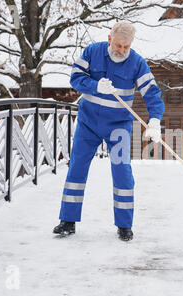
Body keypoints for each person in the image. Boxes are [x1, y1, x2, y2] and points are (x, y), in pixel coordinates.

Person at [53, 21, 165, 241]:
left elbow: (151, 92)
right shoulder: (91, 52)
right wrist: (95, 85)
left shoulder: (137, 63)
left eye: (126, 47)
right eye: (118, 45)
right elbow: (75, 78)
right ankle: (67, 221)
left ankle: (124, 225)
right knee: (77, 167)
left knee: (122, 171)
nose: (122, 50)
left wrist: (154, 120)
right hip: (88, 123)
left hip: (118, 124)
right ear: (109, 39)